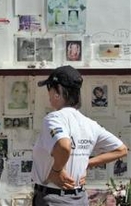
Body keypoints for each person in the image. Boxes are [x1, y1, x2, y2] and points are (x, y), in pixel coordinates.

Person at [32, 65, 127, 206]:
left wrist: (56, 171)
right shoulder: (89, 123)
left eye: (49, 89)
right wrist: (86, 164)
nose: (49, 94)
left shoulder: (54, 119)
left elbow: (64, 146)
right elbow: (122, 149)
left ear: (58, 91)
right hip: (79, 198)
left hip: (53, 199)